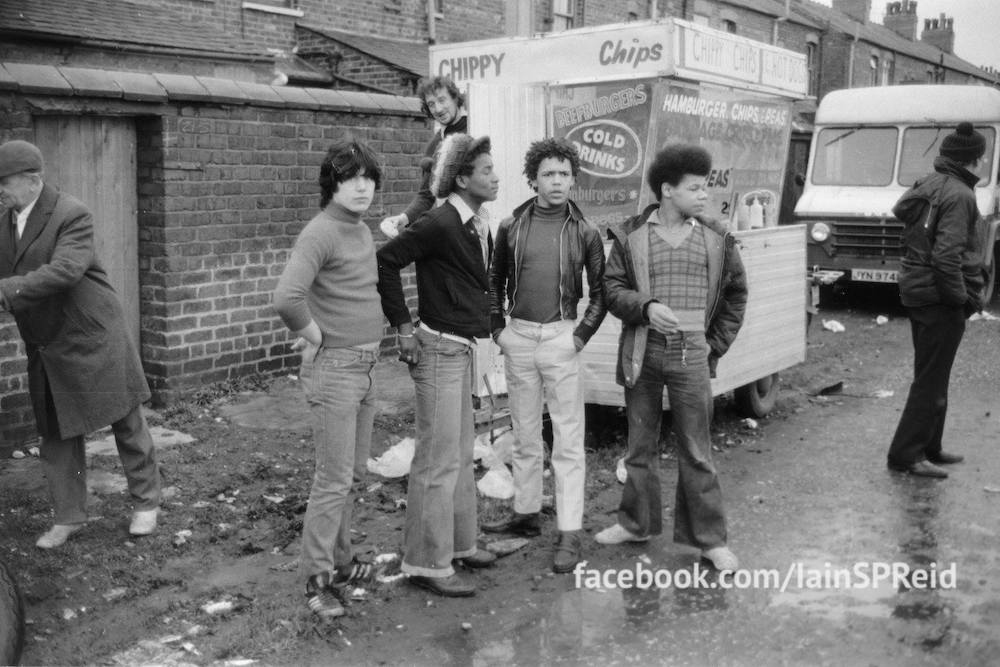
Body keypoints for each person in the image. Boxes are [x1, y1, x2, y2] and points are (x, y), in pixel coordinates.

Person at [0, 139, 161, 549]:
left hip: (92, 334)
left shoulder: (71, 214)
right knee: (55, 432)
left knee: (125, 420)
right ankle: (69, 516)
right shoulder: (6, 221)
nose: (0, 190)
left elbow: (66, 270)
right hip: (47, 342)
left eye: (5, 181)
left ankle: (146, 503)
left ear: (33, 181)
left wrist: (7, 290)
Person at [594, 143, 747, 572]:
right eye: (695, 188)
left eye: (705, 189)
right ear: (667, 190)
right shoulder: (632, 237)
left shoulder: (717, 239)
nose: (704, 196)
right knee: (639, 446)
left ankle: (710, 541)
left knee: (697, 450)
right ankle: (635, 523)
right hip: (642, 354)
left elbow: (736, 294)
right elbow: (611, 290)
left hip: (693, 356)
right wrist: (644, 307)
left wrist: (714, 344)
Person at [377, 133, 499, 597]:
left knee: (462, 456)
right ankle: (426, 563)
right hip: (439, 352)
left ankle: (461, 546)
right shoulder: (442, 220)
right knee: (436, 460)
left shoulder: (475, 220)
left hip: (464, 349)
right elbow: (385, 262)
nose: (496, 177)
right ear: (462, 178)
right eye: (486, 170)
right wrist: (403, 328)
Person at [483, 138, 606, 573]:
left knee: (569, 441)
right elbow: (494, 279)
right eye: (549, 174)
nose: (557, 182)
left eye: (565, 174)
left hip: (560, 338)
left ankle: (570, 532)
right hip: (519, 338)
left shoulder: (585, 231)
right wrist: (499, 329)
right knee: (525, 432)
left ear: (574, 179)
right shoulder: (511, 227)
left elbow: (601, 293)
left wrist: (578, 337)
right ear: (533, 179)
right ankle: (527, 512)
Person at [273, 139, 385, 618]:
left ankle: (341, 563)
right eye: (350, 177)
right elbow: (286, 298)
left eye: (368, 177)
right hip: (335, 371)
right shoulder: (320, 232)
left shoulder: (358, 230)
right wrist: (316, 335)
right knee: (333, 479)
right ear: (332, 183)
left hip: (365, 369)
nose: (361, 186)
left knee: (353, 475)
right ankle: (316, 580)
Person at [886, 122, 988, 479]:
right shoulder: (960, 194)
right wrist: (961, 299)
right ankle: (906, 455)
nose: (984, 163)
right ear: (972, 160)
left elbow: (903, 214)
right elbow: (947, 256)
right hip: (939, 297)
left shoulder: (928, 183)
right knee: (930, 378)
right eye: (982, 157)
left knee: (933, 373)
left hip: (918, 289)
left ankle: (930, 445)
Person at [379, 75, 468, 239]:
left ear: (455, 98)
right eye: (431, 104)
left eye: (442, 100)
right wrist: (403, 219)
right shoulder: (435, 145)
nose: (438, 109)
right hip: (455, 231)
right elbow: (426, 195)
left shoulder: (476, 126)